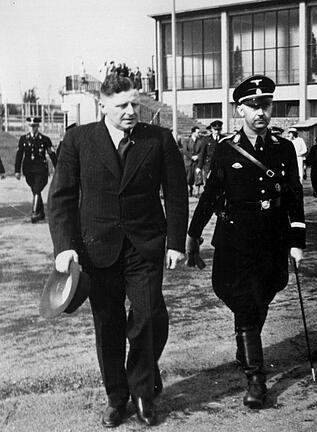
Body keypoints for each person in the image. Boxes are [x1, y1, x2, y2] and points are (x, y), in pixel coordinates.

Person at [48, 74, 188, 427]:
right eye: (123, 105)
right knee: (107, 325)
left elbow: (175, 192)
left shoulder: (158, 139)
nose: (131, 112)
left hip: (145, 246)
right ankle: (117, 397)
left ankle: (141, 390)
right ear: (103, 106)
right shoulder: (79, 140)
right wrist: (64, 247)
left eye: (135, 104)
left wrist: (175, 242)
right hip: (97, 250)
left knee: (148, 315)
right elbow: (62, 197)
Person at [186, 74, 305, 410]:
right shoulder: (225, 150)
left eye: (265, 104)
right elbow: (210, 196)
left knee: (261, 298)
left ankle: (245, 345)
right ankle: (256, 377)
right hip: (236, 241)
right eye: (252, 106)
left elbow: (295, 195)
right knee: (247, 303)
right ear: (240, 109)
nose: (260, 112)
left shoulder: (284, 149)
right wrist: (193, 236)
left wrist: (297, 240)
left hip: (272, 240)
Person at [15, 116, 57, 223]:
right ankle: (41, 212)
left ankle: (34, 213)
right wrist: (17, 171)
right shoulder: (23, 139)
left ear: (38, 126)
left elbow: (52, 154)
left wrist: (58, 168)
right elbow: (19, 155)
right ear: (28, 126)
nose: (32, 128)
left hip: (41, 170)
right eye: (30, 126)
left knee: (37, 189)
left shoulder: (45, 140)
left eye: (34, 126)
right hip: (29, 170)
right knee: (35, 190)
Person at [181, 126, 203, 196]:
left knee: (198, 177)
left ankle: (197, 192)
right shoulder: (186, 141)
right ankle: (190, 189)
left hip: (197, 162)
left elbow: (202, 151)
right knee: (188, 178)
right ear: (193, 132)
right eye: (198, 132)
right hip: (188, 162)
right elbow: (184, 150)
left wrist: (198, 156)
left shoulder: (200, 141)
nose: (199, 133)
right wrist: (191, 156)